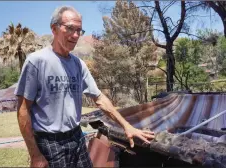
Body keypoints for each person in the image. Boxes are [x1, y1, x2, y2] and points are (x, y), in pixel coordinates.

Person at [15, 6, 155, 168]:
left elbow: (99, 98)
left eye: (79, 30)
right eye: (70, 29)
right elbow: (23, 109)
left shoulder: (78, 64)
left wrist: (127, 127)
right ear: (54, 29)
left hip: (76, 137)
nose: (75, 35)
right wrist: (35, 154)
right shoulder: (37, 61)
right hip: (49, 142)